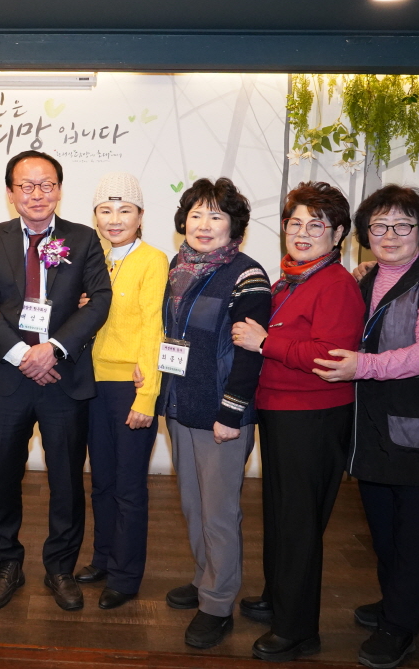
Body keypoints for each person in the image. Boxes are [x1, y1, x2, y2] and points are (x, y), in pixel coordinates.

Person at [312, 184, 419, 669]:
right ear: (364, 234)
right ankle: (397, 603)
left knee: (415, 534)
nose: (391, 234)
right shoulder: (363, 280)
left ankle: (400, 627)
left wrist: (365, 366)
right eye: (379, 226)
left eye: (403, 224)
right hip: (373, 430)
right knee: (383, 529)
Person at [0, 149, 112, 611]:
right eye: (26, 186)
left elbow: (99, 300)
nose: (37, 194)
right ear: (10, 192)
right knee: (2, 478)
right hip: (8, 380)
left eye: (46, 184)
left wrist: (53, 348)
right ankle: (6, 565)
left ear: (59, 190)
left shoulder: (83, 238)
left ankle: (60, 568)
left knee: (67, 479)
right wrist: (22, 355)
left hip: (63, 378)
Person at [230, 181, 365, 662]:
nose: (303, 233)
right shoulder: (290, 280)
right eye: (295, 223)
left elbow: (330, 356)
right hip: (281, 411)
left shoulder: (336, 284)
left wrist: (266, 343)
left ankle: (298, 630)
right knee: (281, 514)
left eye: (317, 225)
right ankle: (279, 597)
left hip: (313, 415)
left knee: (299, 523)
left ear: (339, 234)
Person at [157, 178, 272, 649]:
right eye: (197, 215)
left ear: (234, 226)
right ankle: (205, 576)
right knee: (192, 504)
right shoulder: (177, 267)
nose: (204, 225)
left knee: (219, 512)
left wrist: (231, 411)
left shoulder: (247, 275)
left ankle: (218, 604)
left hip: (221, 413)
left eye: (216, 216)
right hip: (181, 404)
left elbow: (250, 353)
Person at [71, 172, 168, 611]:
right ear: (95, 216)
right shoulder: (96, 260)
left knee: (129, 486)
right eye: (105, 210)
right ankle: (103, 559)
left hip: (131, 385)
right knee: (102, 482)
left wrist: (147, 397)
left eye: (125, 210)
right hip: (93, 383)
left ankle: (126, 576)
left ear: (140, 216)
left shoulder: (153, 260)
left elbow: (153, 328)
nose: (115, 219)